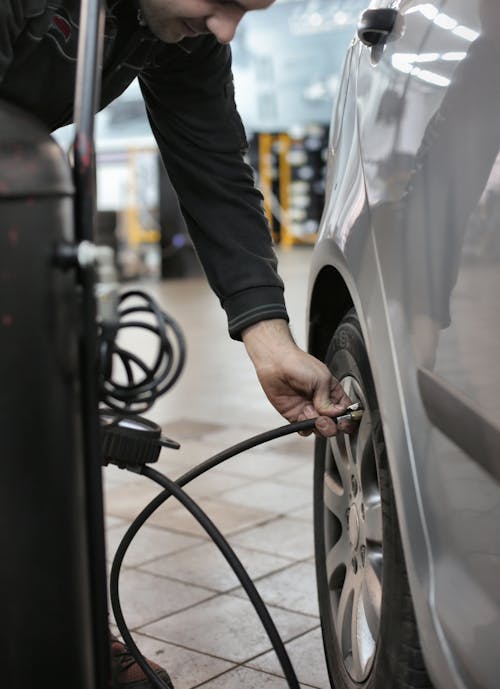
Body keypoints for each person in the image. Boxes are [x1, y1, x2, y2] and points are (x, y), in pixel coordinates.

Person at [0, 0, 352, 686]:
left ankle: (56, 616)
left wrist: (267, 335)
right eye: (219, 1)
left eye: (246, 9)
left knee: (39, 414)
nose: (225, 27)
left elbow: (214, 166)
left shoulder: (173, 28)